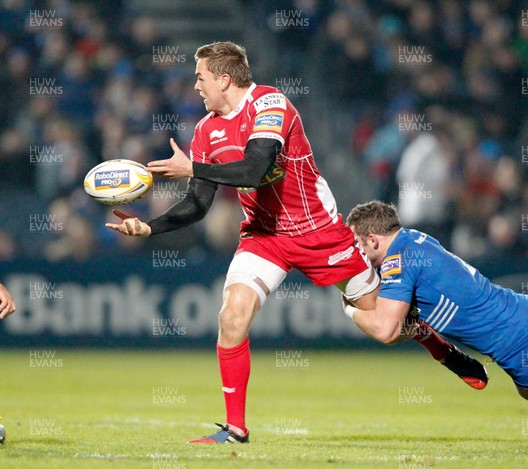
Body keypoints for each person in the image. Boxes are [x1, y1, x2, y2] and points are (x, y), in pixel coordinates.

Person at [106, 41, 488, 444]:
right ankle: (235, 429)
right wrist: (149, 228)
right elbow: (199, 203)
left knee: (385, 328)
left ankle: (437, 344)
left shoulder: (270, 104)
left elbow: (257, 167)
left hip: (318, 231)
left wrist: (191, 166)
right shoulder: (206, 130)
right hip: (263, 236)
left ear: (223, 78)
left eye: (200, 77)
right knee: (232, 315)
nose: (196, 86)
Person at [344, 200, 528, 443]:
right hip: (524, 320)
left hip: (520, 340)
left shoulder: (396, 261)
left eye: (357, 245)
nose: (357, 254)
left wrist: (350, 310)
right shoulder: (412, 240)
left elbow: (386, 330)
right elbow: (403, 326)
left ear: (373, 240)